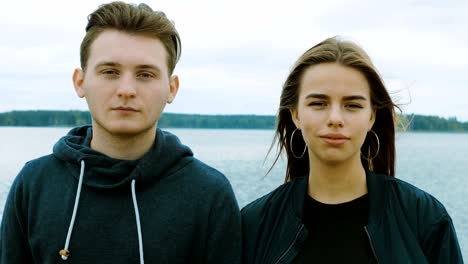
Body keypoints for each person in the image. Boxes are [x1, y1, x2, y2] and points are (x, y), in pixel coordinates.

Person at [0, 2, 241, 263]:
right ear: (80, 82)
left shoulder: (208, 194)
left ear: (171, 88)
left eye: (145, 74)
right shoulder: (35, 183)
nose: (127, 89)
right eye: (110, 72)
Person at [241, 36, 463, 263]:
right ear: (296, 114)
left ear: (372, 116)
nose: (335, 119)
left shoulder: (424, 218)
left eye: (352, 105)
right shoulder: (255, 223)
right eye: (318, 103)